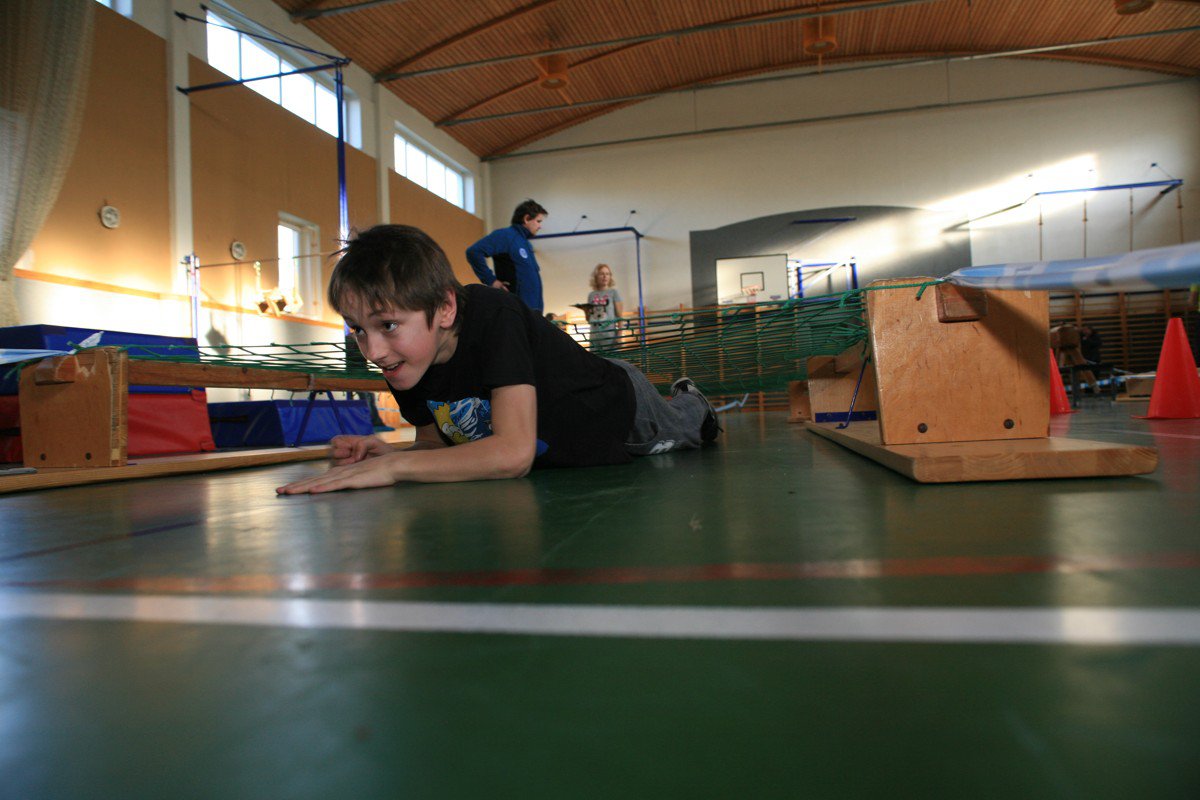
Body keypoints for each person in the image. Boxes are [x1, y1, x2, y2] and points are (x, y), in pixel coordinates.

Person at [277, 225, 719, 495]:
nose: (372, 351)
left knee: (689, 428)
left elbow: (512, 454)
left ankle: (692, 400)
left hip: (621, 409)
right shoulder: (407, 361)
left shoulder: (494, 315)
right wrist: (390, 453)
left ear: (444, 308)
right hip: (572, 416)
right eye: (358, 329)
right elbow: (436, 444)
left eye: (388, 325)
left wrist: (395, 467)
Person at [465, 199, 547, 313]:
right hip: (516, 310)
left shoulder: (526, 244)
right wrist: (491, 281)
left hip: (532, 311)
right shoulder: (506, 236)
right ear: (527, 218)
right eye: (538, 221)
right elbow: (473, 252)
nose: (540, 226)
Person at [585, 263, 624, 352]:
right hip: (594, 336)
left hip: (610, 337)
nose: (605, 276)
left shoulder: (614, 292)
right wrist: (585, 311)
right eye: (602, 274)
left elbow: (620, 317)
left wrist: (619, 336)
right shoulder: (591, 295)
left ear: (610, 276)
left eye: (607, 274)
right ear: (596, 276)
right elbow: (589, 319)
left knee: (610, 359)